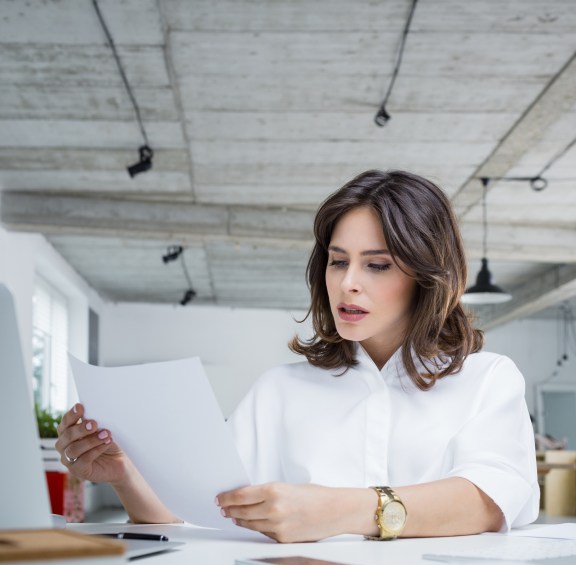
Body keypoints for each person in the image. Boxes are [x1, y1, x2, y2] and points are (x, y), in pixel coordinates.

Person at [56, 170, 539, 543]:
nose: (348, 281)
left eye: (377, 265)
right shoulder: (280, 390)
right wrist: (125, 478)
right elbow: (203, 519)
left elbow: (491, 499)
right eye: (337, 260)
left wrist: (339, 511)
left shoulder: (487, 379)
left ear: (428, 275)